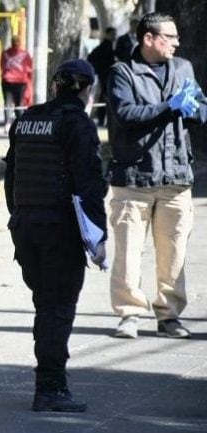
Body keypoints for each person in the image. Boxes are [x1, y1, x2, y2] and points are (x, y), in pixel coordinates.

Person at [5, 59, 107, 412]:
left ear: (55, 86)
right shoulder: (76, 123)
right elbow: (88, 184)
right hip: (58, 229)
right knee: (57, 307)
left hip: (25, 226)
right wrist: (97, 237)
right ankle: (50, 388)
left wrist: (18, 216)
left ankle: (48, 382)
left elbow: (11, 177)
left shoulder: (27, 118)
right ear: (86, 90)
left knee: (45, 304)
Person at [106, 12, 207, 339]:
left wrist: (195, 111)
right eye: (170, 36)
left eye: (177, 37)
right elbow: (126, 115)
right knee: (128, 253)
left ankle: (169, 316)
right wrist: (169, 106)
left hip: (176, 176)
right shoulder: (122, 73)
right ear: (149, 38)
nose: (177, 42)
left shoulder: (183, 69)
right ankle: (129, 314)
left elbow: (202, 108)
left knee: (174, 252)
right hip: (134, 176)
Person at [0, 34, 32, 134]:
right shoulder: (25, 55)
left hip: (7, 81)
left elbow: (2, 66)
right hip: (20, 82)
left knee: (7, 104)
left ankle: (7, 124)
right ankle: (20, 125)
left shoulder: (5, 53)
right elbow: (29, 69)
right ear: (19, 42)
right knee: (20, 104)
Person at [87, 27, 117, 126]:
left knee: (103, 98)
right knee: (105, 98)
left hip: (104, 75)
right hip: (105, 76)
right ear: (108, 34)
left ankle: (102, 119)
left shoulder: (108, 46)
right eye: (112, 34)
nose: (114, 36)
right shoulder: (105, 47)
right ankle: (102, 119)